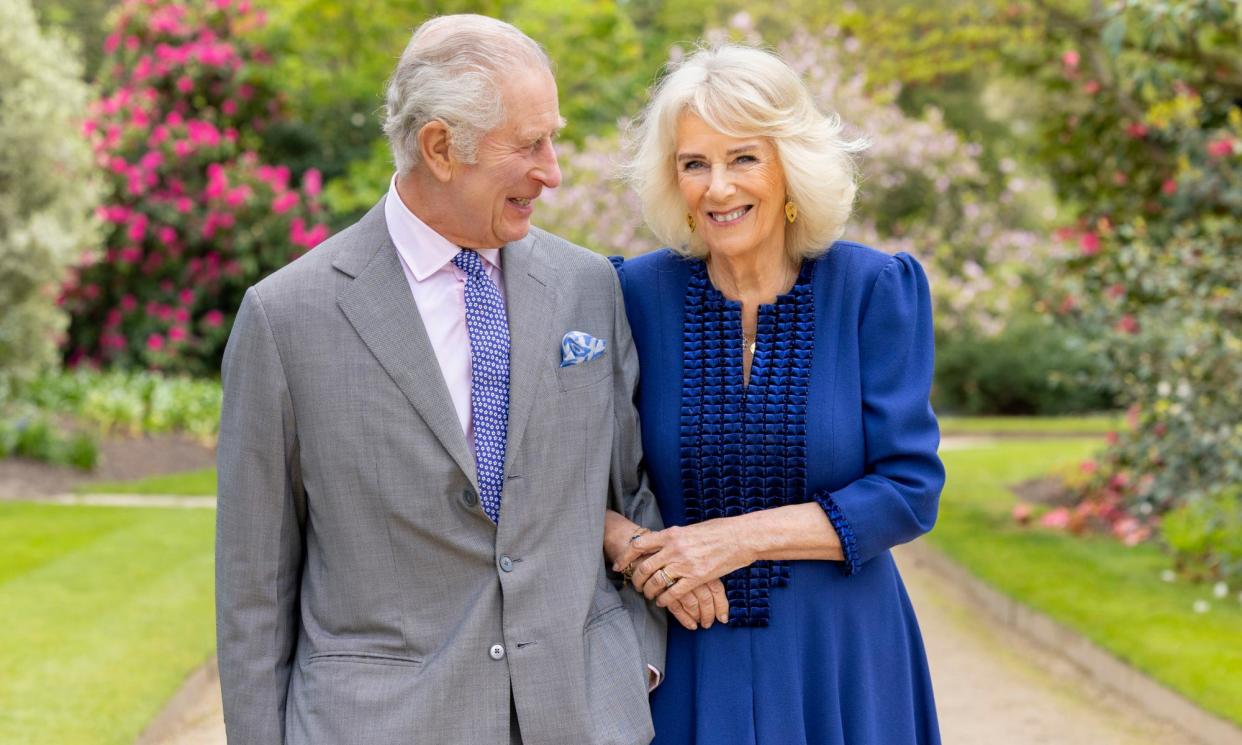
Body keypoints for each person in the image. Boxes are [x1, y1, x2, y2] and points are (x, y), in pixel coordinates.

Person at [216, 15, 667, 745]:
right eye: (530, 144)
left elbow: (629, 488)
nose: (553, 170)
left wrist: (633, 663)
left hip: (580, 717)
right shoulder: (285, 318)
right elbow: (253, 589)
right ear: (440, 147)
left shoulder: (588, 287)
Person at [605, 44, 945, 744]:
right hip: (686, 656)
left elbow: (910, 489)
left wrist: (732, 540)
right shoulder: (628, 297)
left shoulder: (874, 290)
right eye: (694, 164)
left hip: (843, 662)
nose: (718, 188)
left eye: (743, 158)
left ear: (791, 165)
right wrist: (644, 551)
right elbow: (566, 475)